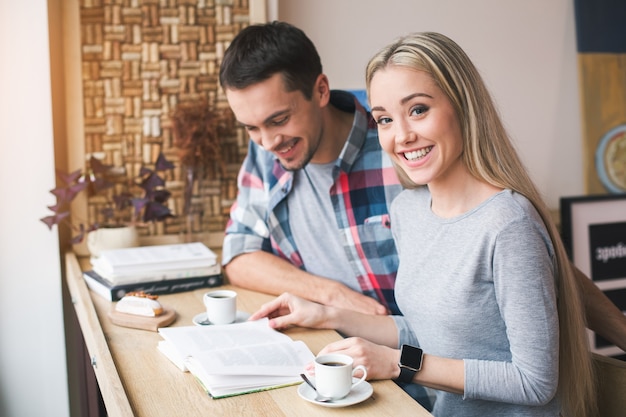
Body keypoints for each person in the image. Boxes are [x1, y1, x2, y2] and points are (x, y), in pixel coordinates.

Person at [218, 21, 626, 355]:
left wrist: (621, 333)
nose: (268, 141)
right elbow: (238, 255)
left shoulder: (407, 152)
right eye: (251, 127)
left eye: (278, 120)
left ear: (320, 90)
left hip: (424, 370)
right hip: (334, 357)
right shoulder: (267, 156)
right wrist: (330, 296)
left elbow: (531, 258)